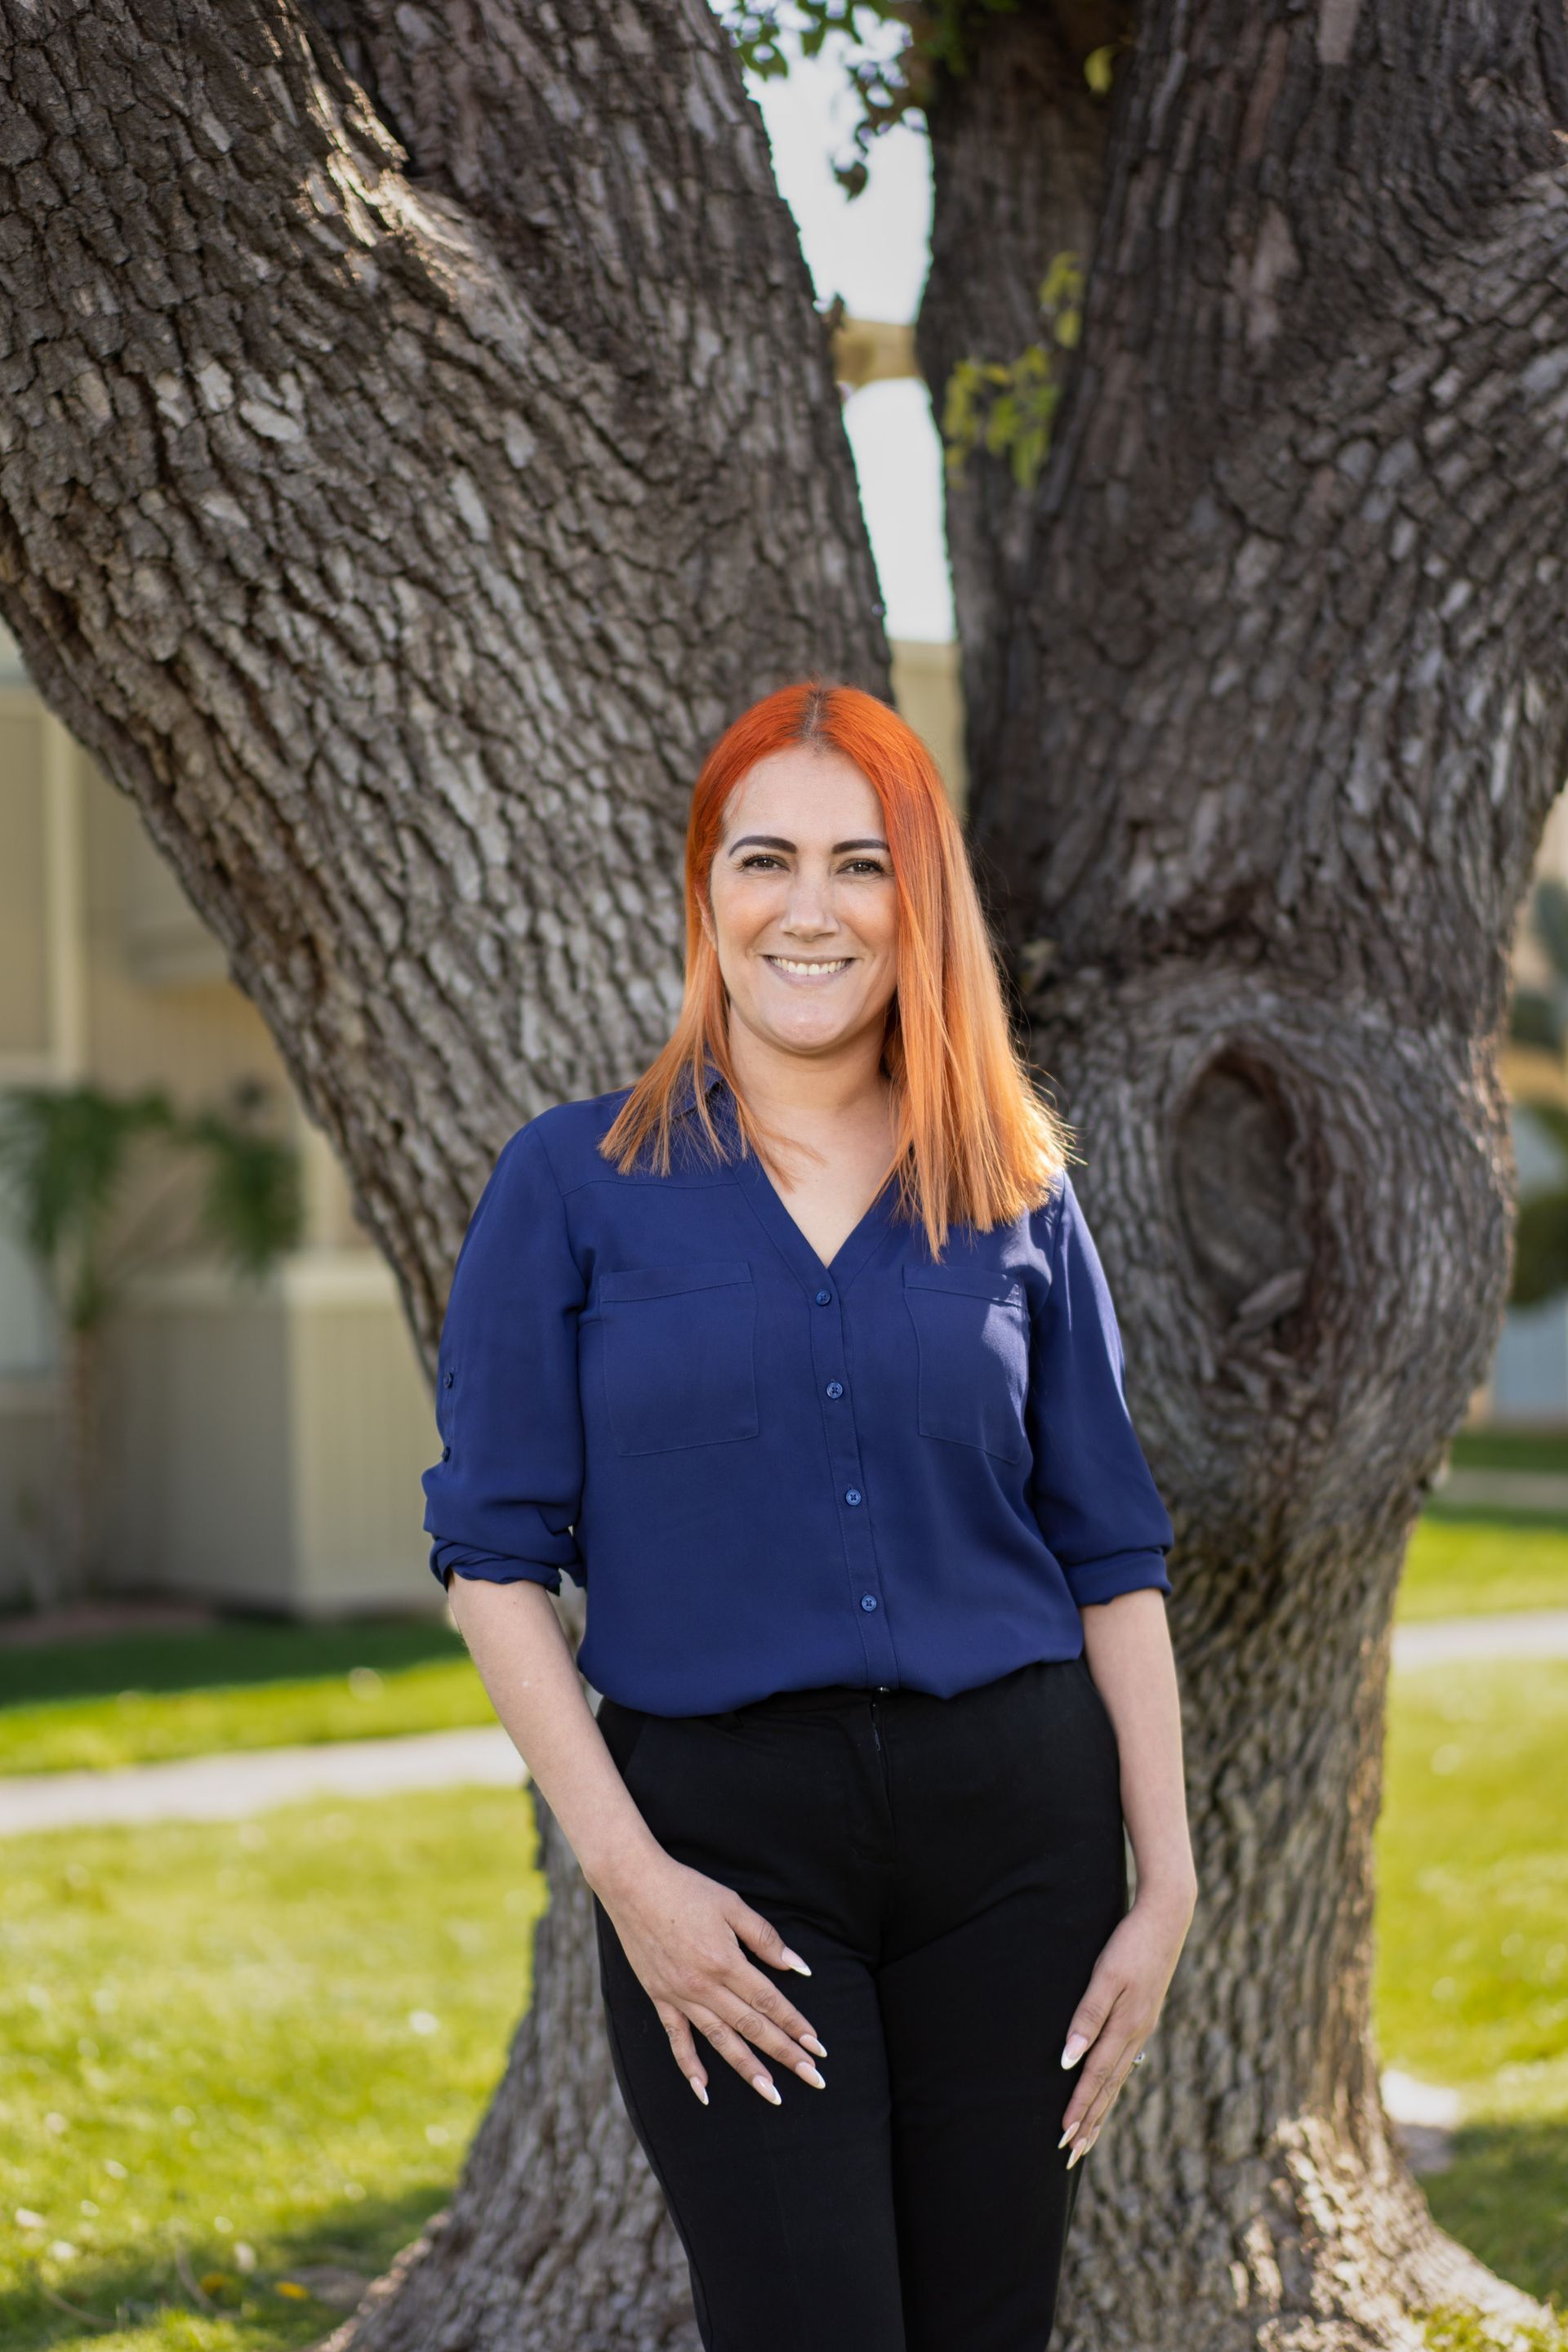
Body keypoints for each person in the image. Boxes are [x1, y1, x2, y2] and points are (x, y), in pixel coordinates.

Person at [420, 679, 1197, 2352]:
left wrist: (1169, 1887)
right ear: (706, 891)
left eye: (862, 864)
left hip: (1020, 1846)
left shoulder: (1016, 1190)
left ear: (920, 902)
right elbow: (492, 1566)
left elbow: (1112, 1554)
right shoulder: (571, 1183)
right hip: (727, 1857)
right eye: (765, 858)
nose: (810, 909)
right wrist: (631, 1880)